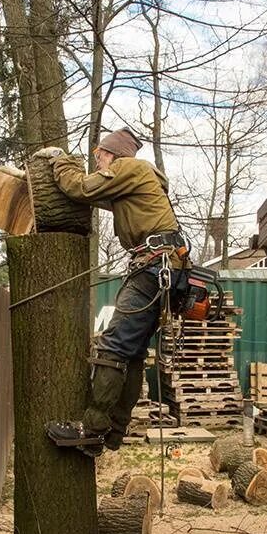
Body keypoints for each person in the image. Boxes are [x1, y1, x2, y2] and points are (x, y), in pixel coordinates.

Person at [40, 127, 190, 457]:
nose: (99, 165)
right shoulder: (139, 179)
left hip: (153, 265)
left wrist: (60, 161)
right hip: (163, 266)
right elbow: (97, 196)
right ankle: (114, 432)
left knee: (114, 347)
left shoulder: (128, 168)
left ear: (112, 155)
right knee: (132, 352)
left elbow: (80, 187)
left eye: (101, 158)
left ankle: (91, 430)